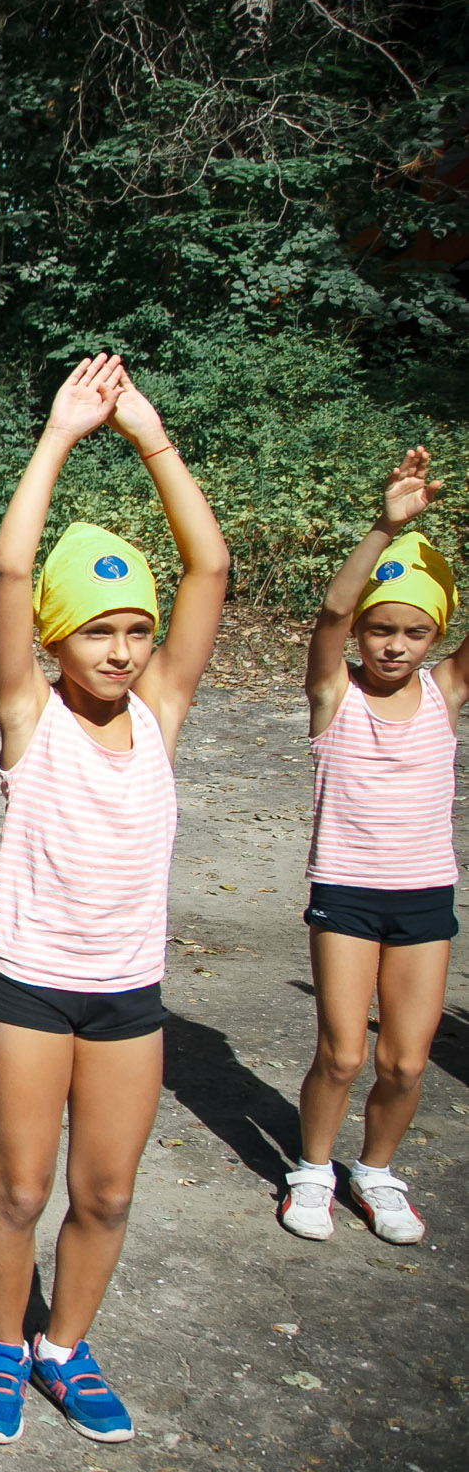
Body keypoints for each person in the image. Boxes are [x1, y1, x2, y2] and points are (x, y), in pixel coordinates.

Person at [0, 354, 229, 1446]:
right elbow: (12, 569)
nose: (118, 648)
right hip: (28, 984)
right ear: (54, 643)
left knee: (107, 1192)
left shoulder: (160, 709)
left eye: (133, 628)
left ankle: (64, 1348)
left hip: (127, 992)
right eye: (96, 630)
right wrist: (61, 438)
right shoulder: (30, 716)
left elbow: (209, 568)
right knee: (21, 1186)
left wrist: (152, 439)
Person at [284, 447, 459, 1246]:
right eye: (381, 628)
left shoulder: (445, 694)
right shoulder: (335, 694)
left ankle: (377, 1171)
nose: (394, 645)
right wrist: (386, 526)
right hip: (347, 893)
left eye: (415, 631)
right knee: (346, 1052)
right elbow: (327, 613)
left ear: (438, 635)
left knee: (408, 1064)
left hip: (425, 896)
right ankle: (314, 1169)